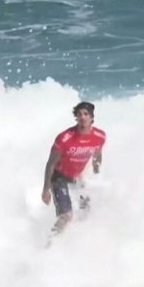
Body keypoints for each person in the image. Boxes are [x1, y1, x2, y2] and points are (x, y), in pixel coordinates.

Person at [41, 101, 106, 236]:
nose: (82, 117)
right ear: (76, 118)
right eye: (79, 114)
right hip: (59, 178)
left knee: (87, 210)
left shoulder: (99, 136)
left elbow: (97, 156)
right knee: (66, 216)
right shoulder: (65, 138)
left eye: (86, 114)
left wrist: (96, 174)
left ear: (92, 117)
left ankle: (78, 243)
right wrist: (46, 189)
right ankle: (49, 243)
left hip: (77, 177)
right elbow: (51, 163)